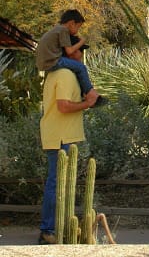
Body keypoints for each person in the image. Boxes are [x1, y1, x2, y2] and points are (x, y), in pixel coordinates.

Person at [38, 46, 96, 245]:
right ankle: (47, 231)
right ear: (69, 54)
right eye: (80, 51)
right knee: (56, 184)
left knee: (59, 183)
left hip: (62, 135)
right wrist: (86, 104)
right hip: (60, 137)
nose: (82, 55)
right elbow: (63, 106)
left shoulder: (62, 73)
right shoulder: (64, 73)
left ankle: (55, 230)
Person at [36, 9, 107, 107]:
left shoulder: (56, 29)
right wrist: (82, 42)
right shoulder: (63, 30)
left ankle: (83, 93)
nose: (77, 31)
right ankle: (91, 95)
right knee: (81, 67)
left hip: (45, 62)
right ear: (72, 23)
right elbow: (69, 51)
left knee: (76, 68)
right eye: (78, 27)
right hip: (53, 61)